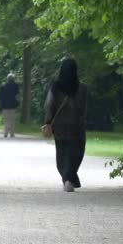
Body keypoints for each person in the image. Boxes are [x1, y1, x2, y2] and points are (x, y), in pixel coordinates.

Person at [44, 58, 87, 192]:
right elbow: (85, 108)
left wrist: (48, 121)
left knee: (62, 153)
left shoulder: (55, 87)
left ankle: (67, 179)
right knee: (76, 153)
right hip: (76, 126)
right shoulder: (82, 88)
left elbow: (49, 105)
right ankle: (70, 178)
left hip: (59, 126)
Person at [0, 73, 20, 138]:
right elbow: (17, 95)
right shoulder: (16, 86)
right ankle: (12, 133)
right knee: (12, 120)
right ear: (13, 79)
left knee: (6, 120)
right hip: (13, 105)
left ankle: (5, 133)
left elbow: (0, 97)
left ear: (7, 78)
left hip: (5, 105)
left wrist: (0, 105)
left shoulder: (3, 86)